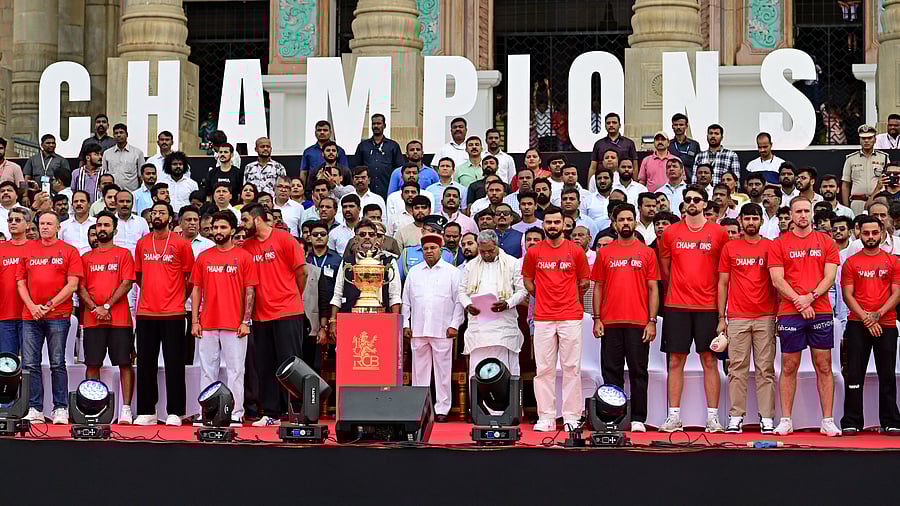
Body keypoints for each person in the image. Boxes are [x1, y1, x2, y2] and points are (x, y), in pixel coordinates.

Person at [658, 184, 729, 432]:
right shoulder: (670, 233)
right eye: (687, 199)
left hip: (708, 306)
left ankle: (712, 417)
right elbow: (665, 270)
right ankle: (674, 416)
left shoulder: (719, 233)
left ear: (705, 204)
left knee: (709, 360)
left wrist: (722, 313)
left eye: (696, 200)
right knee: (675, 361)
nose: (691, 203)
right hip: (676, 305)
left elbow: (723, 273)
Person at [768, 197, 841, 436]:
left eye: (806, 211)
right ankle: (786, 419)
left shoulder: (826, 242)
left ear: (812, 213)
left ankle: (828, 420)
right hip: (790, 312)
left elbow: (829, 277)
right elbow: (777, 280)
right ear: (790, 214)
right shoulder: (779, 243)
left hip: (819, 309)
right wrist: (800, 302)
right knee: (789, 366)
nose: (802, 215)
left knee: (824, 365)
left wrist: (809, 297)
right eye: (798, 211)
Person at [522, 205, 591, 431]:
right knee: (543, 369)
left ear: (564, 224)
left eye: (556, 222)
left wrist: (566, 297)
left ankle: (571, 416)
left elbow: (584, 282)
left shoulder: (576, 251)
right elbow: (528, 282)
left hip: (570, 315)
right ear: (543, 225)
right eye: (548, 223)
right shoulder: (534, 252)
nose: (552, 226)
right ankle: (546, 417)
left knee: (571, 367)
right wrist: (543, 296)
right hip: (542, 317)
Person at [591, 203, 659, 433]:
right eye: (622, 220)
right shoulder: (605, 252)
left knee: (639, 371)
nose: (626, 223)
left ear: (636, 222)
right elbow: (597, 287)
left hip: (639, 322)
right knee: (611, 371)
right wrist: (597, 318)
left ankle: (638, 417)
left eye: (630, 219)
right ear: (615, 223)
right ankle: (614, 417)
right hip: (610, 321)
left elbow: (653, 289)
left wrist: (652, 321)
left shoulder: (647, 252)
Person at [240, 203, 306, 427]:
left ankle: (299, 413)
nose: (242, 225)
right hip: (260, 315)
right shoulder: (246, 247)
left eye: (245, 220)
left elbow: (301, 272)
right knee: (266, 366)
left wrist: (293, 296)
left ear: (257, 219)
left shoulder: (285, 239)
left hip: (288, 311)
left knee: (291, 365)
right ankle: (271, 413)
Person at [191, 211, 258, 426]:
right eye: (215, 228)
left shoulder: (244, 257)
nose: (218, 232)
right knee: (207, 371)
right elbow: (196, 291)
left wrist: (245, 321)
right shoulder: (204, 257)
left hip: (235, 324)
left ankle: (236, 412)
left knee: (236, 371)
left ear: (232, 229)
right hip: (208, 323)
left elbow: (250, 292)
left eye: (222, 227)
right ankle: (207, 411)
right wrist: (195, 321)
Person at [716, 203, 778, 433]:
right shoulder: (730, 248)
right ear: (740, 220)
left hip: (766, 316)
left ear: (761, 221)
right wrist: (721, 317)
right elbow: (723, 283)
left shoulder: (771, 247)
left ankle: (767, 417)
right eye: (747, 218)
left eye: (755, 218)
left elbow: (778, 282)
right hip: (737, 316)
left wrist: (778, 314)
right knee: (736, 368)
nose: (751, 222)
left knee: (765, 369)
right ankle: (736, 416)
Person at [132, 202, 195, 426]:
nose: (157, 215)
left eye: (162, 213)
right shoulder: (142, 243)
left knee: (174, 363)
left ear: (170, 217)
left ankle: (175, 411)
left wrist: (176, 296)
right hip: (146, 312)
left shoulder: (181, 244)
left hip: (174, 312)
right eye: (154, 212)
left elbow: (190, 279)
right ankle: (146, 411)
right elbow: (138, 277)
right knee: (145, 363)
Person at [18, 211, 83, 423]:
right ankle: (35, 408)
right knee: (30, 364)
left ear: (58, 228)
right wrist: (32, 306)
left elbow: (72, 285)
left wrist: (48, 305)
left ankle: (60, 407)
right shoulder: (28, 249)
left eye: (49, 224)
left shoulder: (70, 251)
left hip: (58, 314)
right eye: (42, 223)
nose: (45, 227)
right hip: (30, 315)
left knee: (57, 362)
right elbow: (21, 282)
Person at [838, 215, 900, 433]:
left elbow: (897, 293)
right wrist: (866, 318)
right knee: (854, 374)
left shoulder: (892, 261)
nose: (871, 237)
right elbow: (847, 295)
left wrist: (878, 314)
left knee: (887, 374)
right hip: (857, 324)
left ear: (882, 233)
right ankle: (852, 421)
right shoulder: (851, 262)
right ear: (859, 233)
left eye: (875, 232)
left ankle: (891, 421)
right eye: (866, 233)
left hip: (887, 324)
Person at [78, 211, 136, 424]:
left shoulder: (124, 255)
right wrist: (95, 308)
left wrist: (107, 305)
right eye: (99, 225)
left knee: (124, 363)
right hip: (93, 319)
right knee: (92, 364)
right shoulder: (85, 258)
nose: (102, 229)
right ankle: (92, 407)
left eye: (106, 225)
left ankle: (126, 409)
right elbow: (80, 287)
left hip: (119, 318)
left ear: (115, 229)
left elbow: (127, 283)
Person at [402, 233, 464, 422]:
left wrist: (455, 325)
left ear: (441, 250)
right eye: (426, 249)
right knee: (419, 372)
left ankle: (442, 409)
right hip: (418, 329)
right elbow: (406, 302)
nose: (429, 252)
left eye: (433, 248)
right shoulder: (414, 272)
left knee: (443, 371)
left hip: (443, 329)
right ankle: (420, 408)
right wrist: (406, 323)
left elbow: (459, 302)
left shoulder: (452, 272)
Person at [459, 228, 527, 374]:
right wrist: (468, 305)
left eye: (490, 250)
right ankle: (479, 398)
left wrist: (507, 303)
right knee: (478, 372)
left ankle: (508, 398)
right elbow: (462, 292)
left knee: (504, 372)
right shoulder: (471, 266)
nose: (487, 254)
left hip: (503, 325)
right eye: (483, 251)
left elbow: (522, 291)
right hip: (478, 327)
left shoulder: (512, 263)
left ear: (496, 245)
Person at [0, 207, 30, 354]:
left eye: (18, 220)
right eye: (10, 220)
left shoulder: (36, 248)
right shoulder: (1, 248)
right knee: (6, 364)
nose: (13, 223)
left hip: (30, 315)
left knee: (29, 364)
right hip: (4, 314)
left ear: (27, 224)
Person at [842, 124, 890, 215]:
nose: (866, 141)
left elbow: (888, 183)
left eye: (870, 138)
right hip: (857, 202)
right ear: (860, 140)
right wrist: (846, 208)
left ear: (875, 139)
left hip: (878, 200)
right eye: (863, 138)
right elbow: (845, 185)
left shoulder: (884, 157)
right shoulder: (851, 159)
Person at [355, 114, 404, 198]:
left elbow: (399, 169)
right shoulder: (363, 146)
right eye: (374, 124)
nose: (376, 126)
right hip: (367, 192)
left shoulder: (393, 146)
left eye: (378, 123)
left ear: (384, 125)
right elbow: (356, 168)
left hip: (387, 190)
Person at [588, 112, 637, 189]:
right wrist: (590, 186)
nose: (611, 125)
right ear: (605, 126)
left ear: (620, 125)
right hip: (602, 181)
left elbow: (634, 166)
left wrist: (634, 184)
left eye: (614, 122)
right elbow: (593, 167)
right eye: (608, 123)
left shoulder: (629, 143)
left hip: (622, 182)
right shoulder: (599, 144)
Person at [300, 120, 349, 189]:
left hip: (336, 189)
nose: (322, 132)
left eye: (325, 130)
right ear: (315, 133)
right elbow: (304, 173)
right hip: (315, 189)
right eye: (319, 130)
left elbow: (344, 172)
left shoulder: (339, 150)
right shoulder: (308, 152)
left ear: (330, 132)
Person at [101, 123, 143, 191]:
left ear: (127, 134)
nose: (118, 135)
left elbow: (141, 177)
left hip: (131, 193)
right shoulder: (107, 153)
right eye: (116, 133)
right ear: (113, 135)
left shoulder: (138, 153)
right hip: (113, 194)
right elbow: (104, 175)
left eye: (121, 132)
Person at [668, 113, 702, 182]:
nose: (678, 127)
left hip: (690, 182)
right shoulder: (668, 145)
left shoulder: (694, 145)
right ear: (672, 126)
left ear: (686, 126)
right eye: (676, 125)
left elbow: (699, 165)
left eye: (681, 125)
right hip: (672, 182)